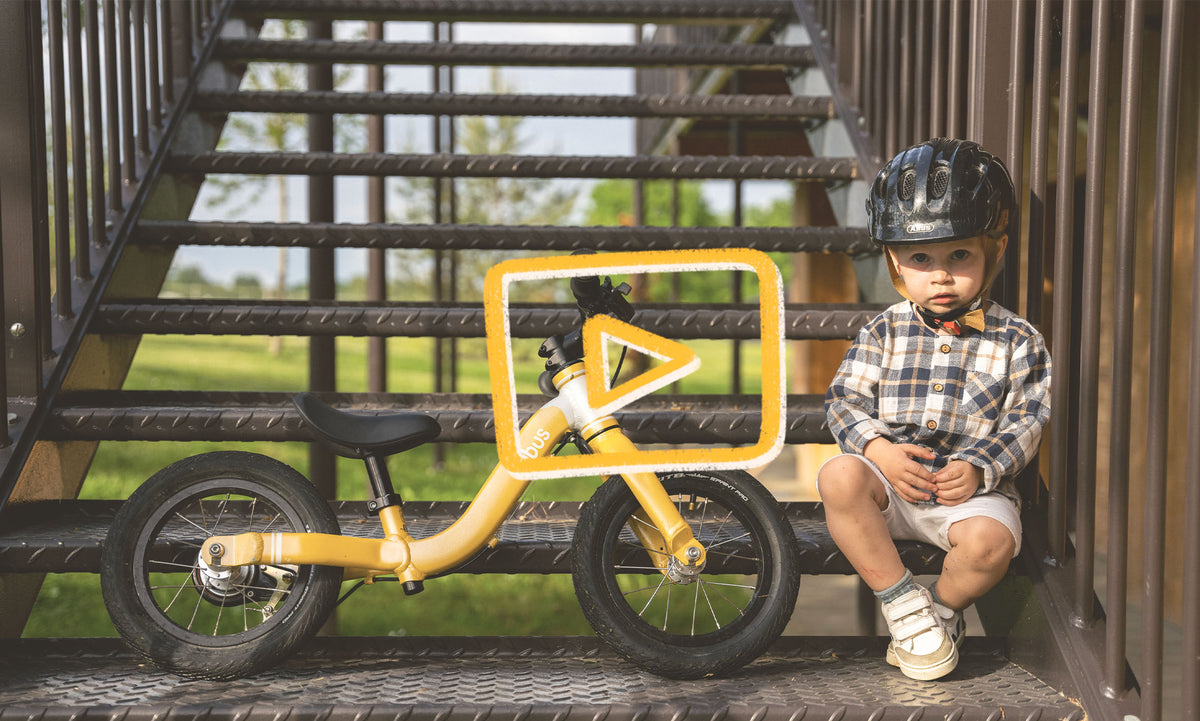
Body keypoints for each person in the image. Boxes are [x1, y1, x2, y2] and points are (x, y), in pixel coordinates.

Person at [816, 137, 1051, 681]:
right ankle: (901, 600)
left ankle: (941, 611)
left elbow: (1027, 418)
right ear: (896, 263)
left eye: (959, 256)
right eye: (921, 259)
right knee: (839, 477)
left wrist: (979, 467)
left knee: (992, 546)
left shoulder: (1019, 339)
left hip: (971, 494)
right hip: (889, 485)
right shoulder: (884, 329)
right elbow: (844, 400)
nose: (940, 275)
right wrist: (879, 450)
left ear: (995, 250)